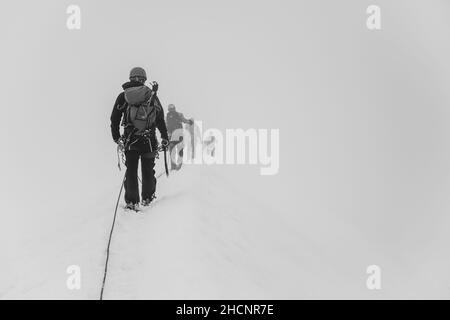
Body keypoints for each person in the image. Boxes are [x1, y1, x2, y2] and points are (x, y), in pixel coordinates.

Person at [110, 67, 169, 211]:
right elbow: (160, 118)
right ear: (144, 79)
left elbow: (115, 118)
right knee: (148, 169)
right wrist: (164, 137)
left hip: (131, 140)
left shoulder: (123, 96)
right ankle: (147, 198)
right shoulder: (151, 96)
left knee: (131, 170)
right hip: (149, 140)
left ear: (131, 78)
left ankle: (132, 201)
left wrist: (117, 137)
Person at [166, 104, 193, 170]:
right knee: (180, 149)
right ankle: (179, 164)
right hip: (179, 135)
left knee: (172, 151)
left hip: (171, 136)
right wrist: (190, 122)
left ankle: (173, 165)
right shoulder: (179, 114)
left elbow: (166, 125)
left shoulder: (167, 116)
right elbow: (185, 121)